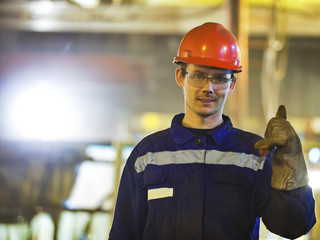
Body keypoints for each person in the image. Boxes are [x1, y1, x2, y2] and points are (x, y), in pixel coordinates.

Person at [108, 22, 316, 239]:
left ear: (232, 84)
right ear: (180, 76)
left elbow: (294, 226)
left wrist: (292, 162)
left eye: (220, 78)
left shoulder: (255, 155)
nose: (209, 88)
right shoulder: (147, 155)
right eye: (198, 75)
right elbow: (124, 233)